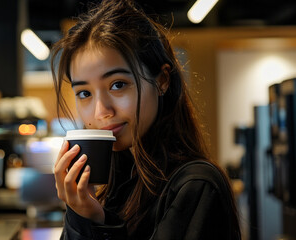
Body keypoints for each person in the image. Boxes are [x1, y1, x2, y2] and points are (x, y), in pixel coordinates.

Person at [51, 0, 241, 239]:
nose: (101, 112)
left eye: (118, 85)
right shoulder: (116, 187)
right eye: (85, 93)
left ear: (161, 80)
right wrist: (83, 216)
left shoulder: (195, 186)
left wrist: (94, 225)